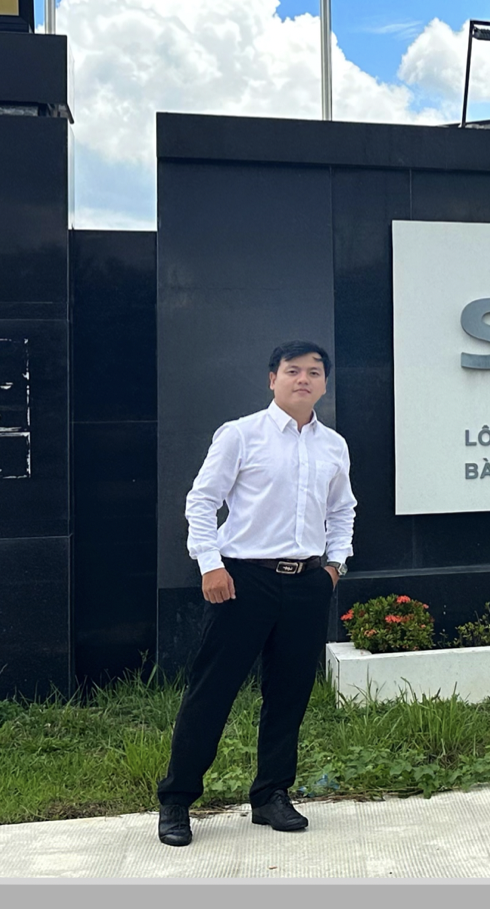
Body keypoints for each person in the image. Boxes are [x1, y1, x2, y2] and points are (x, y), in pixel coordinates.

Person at [156, 341, 355, 847]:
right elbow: (202, 501)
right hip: (244, 581)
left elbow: (342, 510)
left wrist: (334, 567)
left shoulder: (333, 445)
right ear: (273, 379)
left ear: (324, 383)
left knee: (289, 694)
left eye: (314, 372)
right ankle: (177, 800)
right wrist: (210, 564)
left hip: (307, 583)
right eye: (293, 370)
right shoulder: (241, 434)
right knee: (212, 691)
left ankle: (271, 795)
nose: (303, 379)